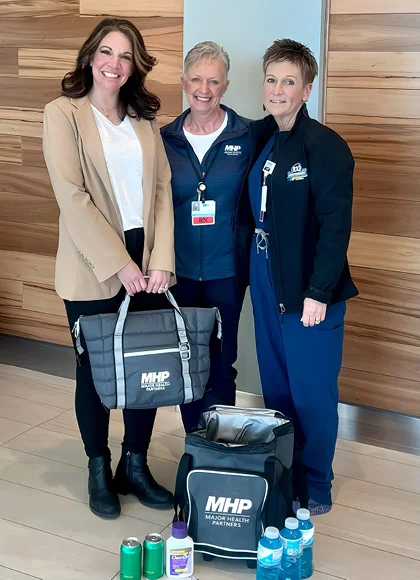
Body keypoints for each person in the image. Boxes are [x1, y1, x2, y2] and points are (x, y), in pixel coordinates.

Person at [42, 18, 175, 520]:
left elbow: (162, 190)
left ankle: (134, 467)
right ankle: (98, 468)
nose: (114, 64)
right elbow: (72, 198)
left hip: (148, 258)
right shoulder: (62, 114)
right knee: (95, 371)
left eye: (125, 56)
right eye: (107, 52)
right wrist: (120, 264)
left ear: (134, 65)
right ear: (90, 56)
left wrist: (160, 260)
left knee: (147, 365)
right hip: (92, 261)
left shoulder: (144, 120)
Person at [243, 39, 358, 515]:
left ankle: (317, 484)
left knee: (312, 392)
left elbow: (336, 226)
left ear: (307, 89)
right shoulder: (263, 138)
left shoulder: (324, 146)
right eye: (271, 79)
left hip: (311, 288)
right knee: (277, 388)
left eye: (289, 81)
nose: (277, 89)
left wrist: (319, 292)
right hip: (267, 277)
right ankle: (286, 476)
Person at [161, 42, 252, 432]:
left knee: (221, 362)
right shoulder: (163, 139)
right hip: (176, 273)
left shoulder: (248, 136)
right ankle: (196, 443)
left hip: (226, 274)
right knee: (186, 361)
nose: (204, 88)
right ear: (183, 83)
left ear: (225, 85)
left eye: (213, 81)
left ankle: (222, 447)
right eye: (196, 79)